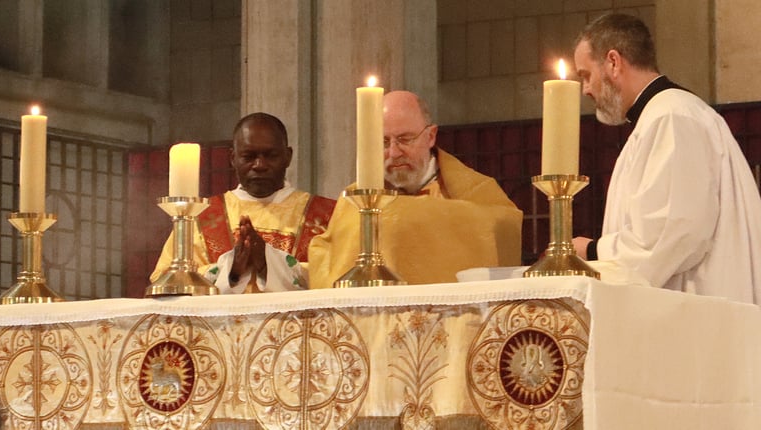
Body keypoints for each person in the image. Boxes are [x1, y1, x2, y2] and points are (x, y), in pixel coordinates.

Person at [571, 13, 761, 304]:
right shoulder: (661, 116)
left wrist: (592, 252)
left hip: (699, 309)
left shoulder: (671, 116)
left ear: (613, 62)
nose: (585, 89)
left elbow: (672, 230)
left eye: (586, 75)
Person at [308, 90, 523, 289]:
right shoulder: (356, 200)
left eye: (405, 139)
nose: (394, 153)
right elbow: (328, 263)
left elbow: (502, 229)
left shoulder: (477, 191)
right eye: (383, 142)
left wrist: (406, 216)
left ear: (431, 136)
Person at [150, 112, 336, 293]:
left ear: (288, 156)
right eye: (249, 156)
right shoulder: (199, 216)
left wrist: (267, 261)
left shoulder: (327, 216)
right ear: (233, 158)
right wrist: (232, 269)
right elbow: (166, 281)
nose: (259, 165)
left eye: (270, 155)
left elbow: (337, 279)